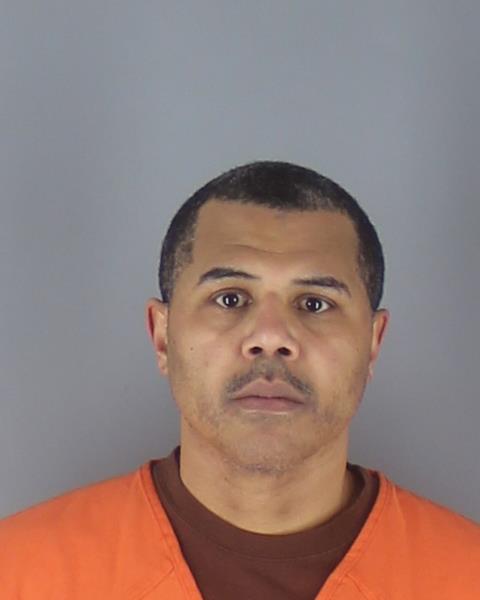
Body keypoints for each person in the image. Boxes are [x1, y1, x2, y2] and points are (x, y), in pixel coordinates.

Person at [0, 161, 479, 599]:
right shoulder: (19, 572)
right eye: (230, 298)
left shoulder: (467, 576)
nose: (270, 337)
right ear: (162, 336)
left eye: (315, 303)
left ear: (373, 343)